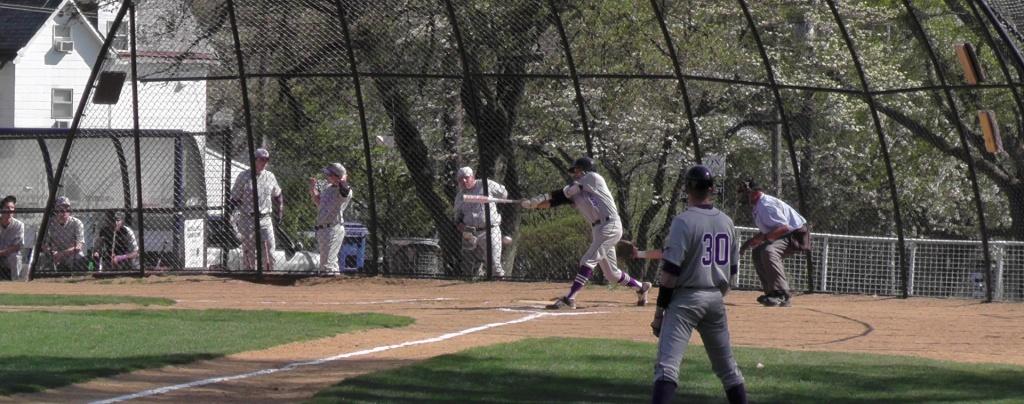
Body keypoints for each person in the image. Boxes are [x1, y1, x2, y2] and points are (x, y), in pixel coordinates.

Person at [648, 165, 747, 404]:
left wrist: (660, 312)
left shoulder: (683, 221)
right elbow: (733, 272)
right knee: (728, 369)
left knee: (667, 367)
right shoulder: (727, 222)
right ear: (712, 189)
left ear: (686, 188)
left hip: (686, 299)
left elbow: (670, 273)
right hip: (715, 298)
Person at [521, 156, 651, 309]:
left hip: (610, 224)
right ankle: (641, 287)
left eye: (577, 170)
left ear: (585, 169)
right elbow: (554, 201)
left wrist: (542, 196)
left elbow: (563, 192)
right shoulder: (576, 192)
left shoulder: (593, 178)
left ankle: (570, 298)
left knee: (587, 261)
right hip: (598, 229)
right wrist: (533, 205)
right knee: (612, 275)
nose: (574, 174)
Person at [736, 180, 810, 307]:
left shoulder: (766, 205)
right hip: (786, 233)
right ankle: (771, 293)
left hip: (796, 235)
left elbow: (783, 227)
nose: (743, 196)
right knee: (758, 252)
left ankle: (782, 294)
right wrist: (749, 243)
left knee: (769, 251)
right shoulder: (758, 205)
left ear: (755, 193)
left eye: (745, 193)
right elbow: (770, 230)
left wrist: (765, 239)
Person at [229, 147, 283, 271]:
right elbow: (235, 198)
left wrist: (279, 212)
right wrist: (230, 216)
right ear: (254, 160)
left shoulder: (270, 176)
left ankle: (270, 276)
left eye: (266, 160)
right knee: (249, 252)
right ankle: (250, 277)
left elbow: (278, 194)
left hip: (265, 218)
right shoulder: (243, 176)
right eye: (261, 160)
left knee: (270, 250)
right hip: (248, 218)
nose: (264, 163)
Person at [453, 166, 507, 278]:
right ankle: (474, 287)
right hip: (470, 232)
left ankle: (499, 283)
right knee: (468, 265)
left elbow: (503, 194)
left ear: (472, 177)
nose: (463, 180)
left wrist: (498, 199)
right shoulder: (460, 196)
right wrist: (460, 225)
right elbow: (457, 217)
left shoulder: (485, 184)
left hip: (490, 230)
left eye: (466, 177)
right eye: (460, 179)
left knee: (494, 263)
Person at [309, 163, 353, 275]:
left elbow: (345, 190)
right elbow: (319, 203)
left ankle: (328, 289)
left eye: (329, 174)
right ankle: (334, 289)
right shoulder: (328, 188)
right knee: (328, 263)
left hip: (333, 228)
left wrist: (342, 177)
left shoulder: (344, 190)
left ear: (337, 176)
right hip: (322, 229)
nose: (326, 176)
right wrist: (313, 190)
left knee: (327, 265)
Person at [43, 196, 86, 271]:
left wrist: (62, 254)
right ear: (55, 210)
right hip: (54, 254)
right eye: (61, 209)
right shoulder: (49, 223)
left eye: (67, 208)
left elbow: (79, 246)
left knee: (79, 256)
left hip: (71, 254)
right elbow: (44, 244)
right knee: (41, 258)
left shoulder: (77, 223)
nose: (64, 211)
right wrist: (52, 253)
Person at [0, 195, 24, 280]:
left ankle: (15, 282)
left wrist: (2, 252)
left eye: (12, 208)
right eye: (7, 207)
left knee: (15, 257)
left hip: (9, 255)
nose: (10, 210)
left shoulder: (19, 225)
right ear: (2, 209)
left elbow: (17, 246)